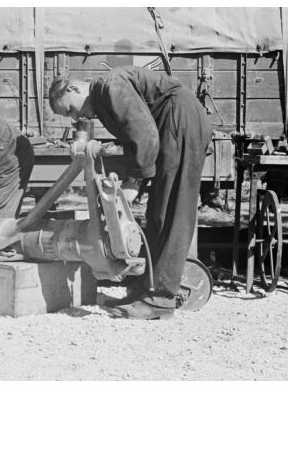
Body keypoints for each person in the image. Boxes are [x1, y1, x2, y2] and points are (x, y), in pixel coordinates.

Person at [48, 66, 212, 320]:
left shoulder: (109, 87)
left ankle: (159, 300)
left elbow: (145, 136)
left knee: (171, 212)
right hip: (174, 123)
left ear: (74, 88)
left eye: (69, 108)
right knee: (157, 212)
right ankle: (144, 291)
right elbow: (138, 133)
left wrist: (133, 183)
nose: (73, 117)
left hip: (179, 121)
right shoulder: (104, 98)